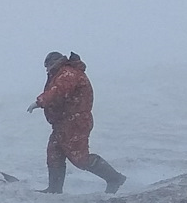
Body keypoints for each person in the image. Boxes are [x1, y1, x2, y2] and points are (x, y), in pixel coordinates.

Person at [29, 51, 126, 194]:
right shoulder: (62, 73)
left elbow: (59, 91)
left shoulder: (68, 73)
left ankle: (114, 178)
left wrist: (39, 102)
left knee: (80, 157)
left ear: (55, 62)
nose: (47, 69)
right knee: (54, 153)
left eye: (48, 65)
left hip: (75, 121)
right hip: (62, 122)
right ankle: (54, 190)